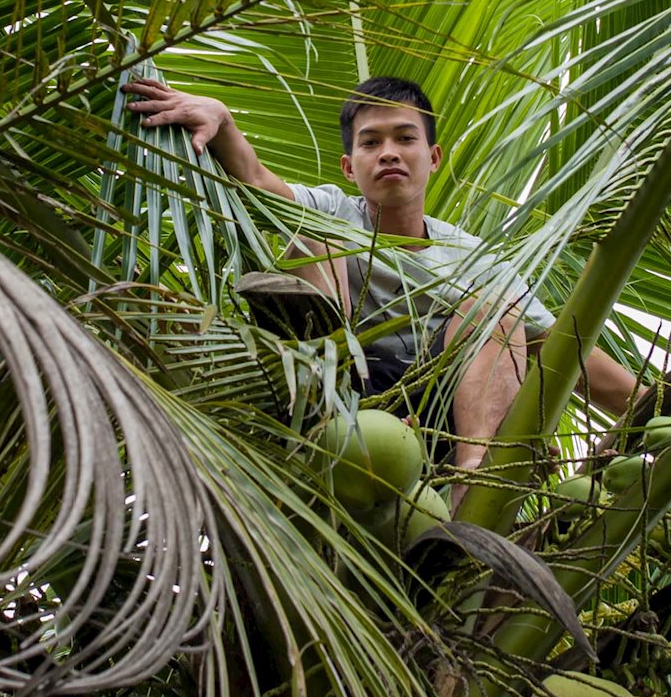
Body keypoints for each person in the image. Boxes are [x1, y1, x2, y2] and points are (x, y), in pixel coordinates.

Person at [122, 73, 644, 474]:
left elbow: (559, 346)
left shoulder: (475, 257)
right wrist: (222, 119)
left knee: (493, 311)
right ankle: (323, 360)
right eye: (370, 142)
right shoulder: (332, 208)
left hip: (441, 411)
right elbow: (256, 177)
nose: (389, 152)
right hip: (334, 388)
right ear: (350, 166)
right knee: (317, 235)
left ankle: (475, 482)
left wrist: (654, 407)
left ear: (433, 157)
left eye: (404, 138)